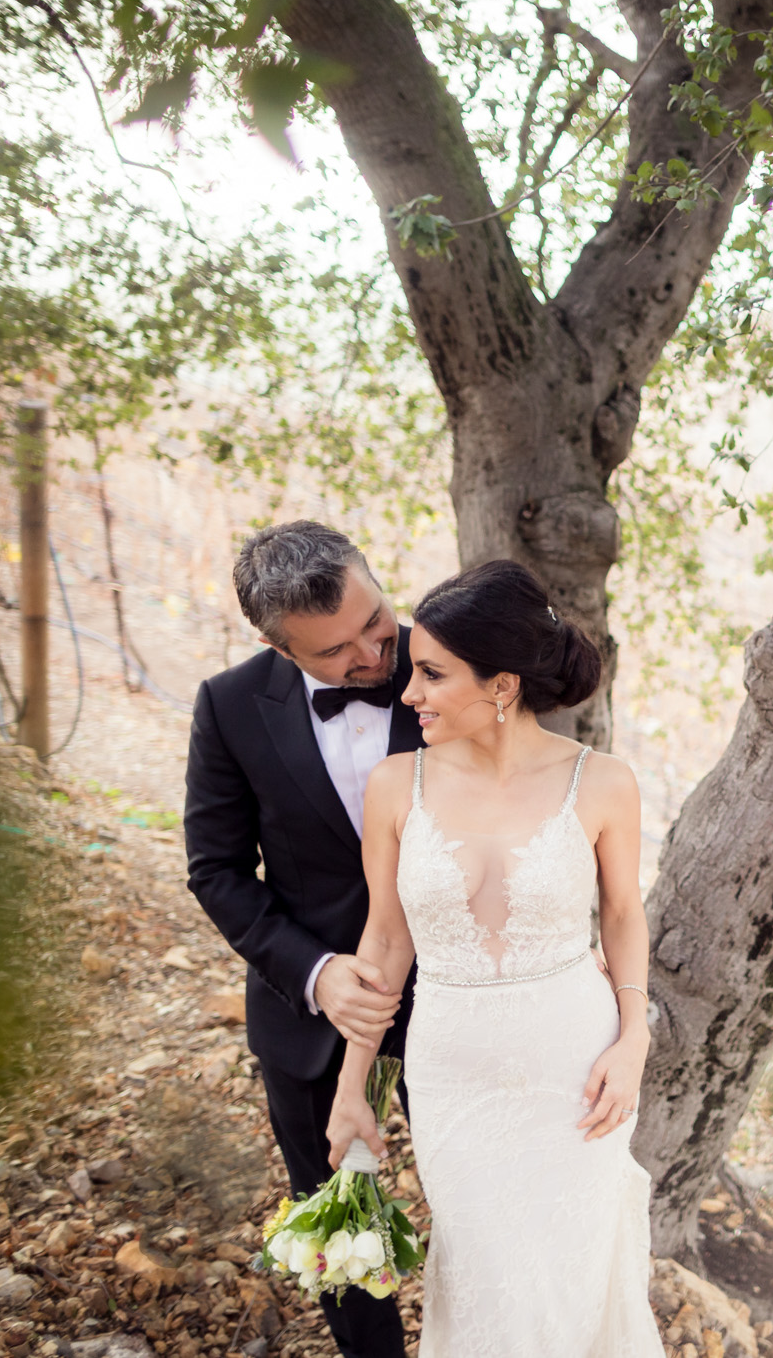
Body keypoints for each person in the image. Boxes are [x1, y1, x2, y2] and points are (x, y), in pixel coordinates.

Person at [324, 559, 663, 1357]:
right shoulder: (394, 785)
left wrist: (634, 1037)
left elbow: (621, 915)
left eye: (433, 675)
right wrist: (353, 1084)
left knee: (569, 1279)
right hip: (452, 1076)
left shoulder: (604, 782)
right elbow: (384, 940)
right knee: (481, 1276)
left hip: (576, 1073)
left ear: (502, 684)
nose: (408, 694)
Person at [183, 521, 422, 1358]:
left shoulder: (452, 661)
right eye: (336, 652)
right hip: (313, 1018)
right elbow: (214, 869)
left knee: (488, 1199)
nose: (372, 655)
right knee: (337, 1219)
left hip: (464, 995)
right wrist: (317, 974)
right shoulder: (227, 705)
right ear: (276, 645)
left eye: (376, 620)